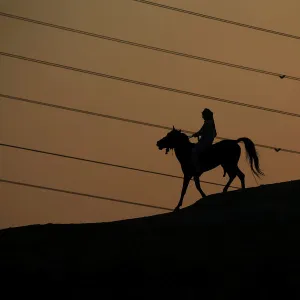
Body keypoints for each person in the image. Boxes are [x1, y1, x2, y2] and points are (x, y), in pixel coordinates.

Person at [190, 108, 217, 173]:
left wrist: (196, 134)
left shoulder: (208, 123)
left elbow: (202, 131)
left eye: (203, 115)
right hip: (207, 141)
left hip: (205, 142)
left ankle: (197, 167)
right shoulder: (211, 123)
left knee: (194, 151)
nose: (203, 117)